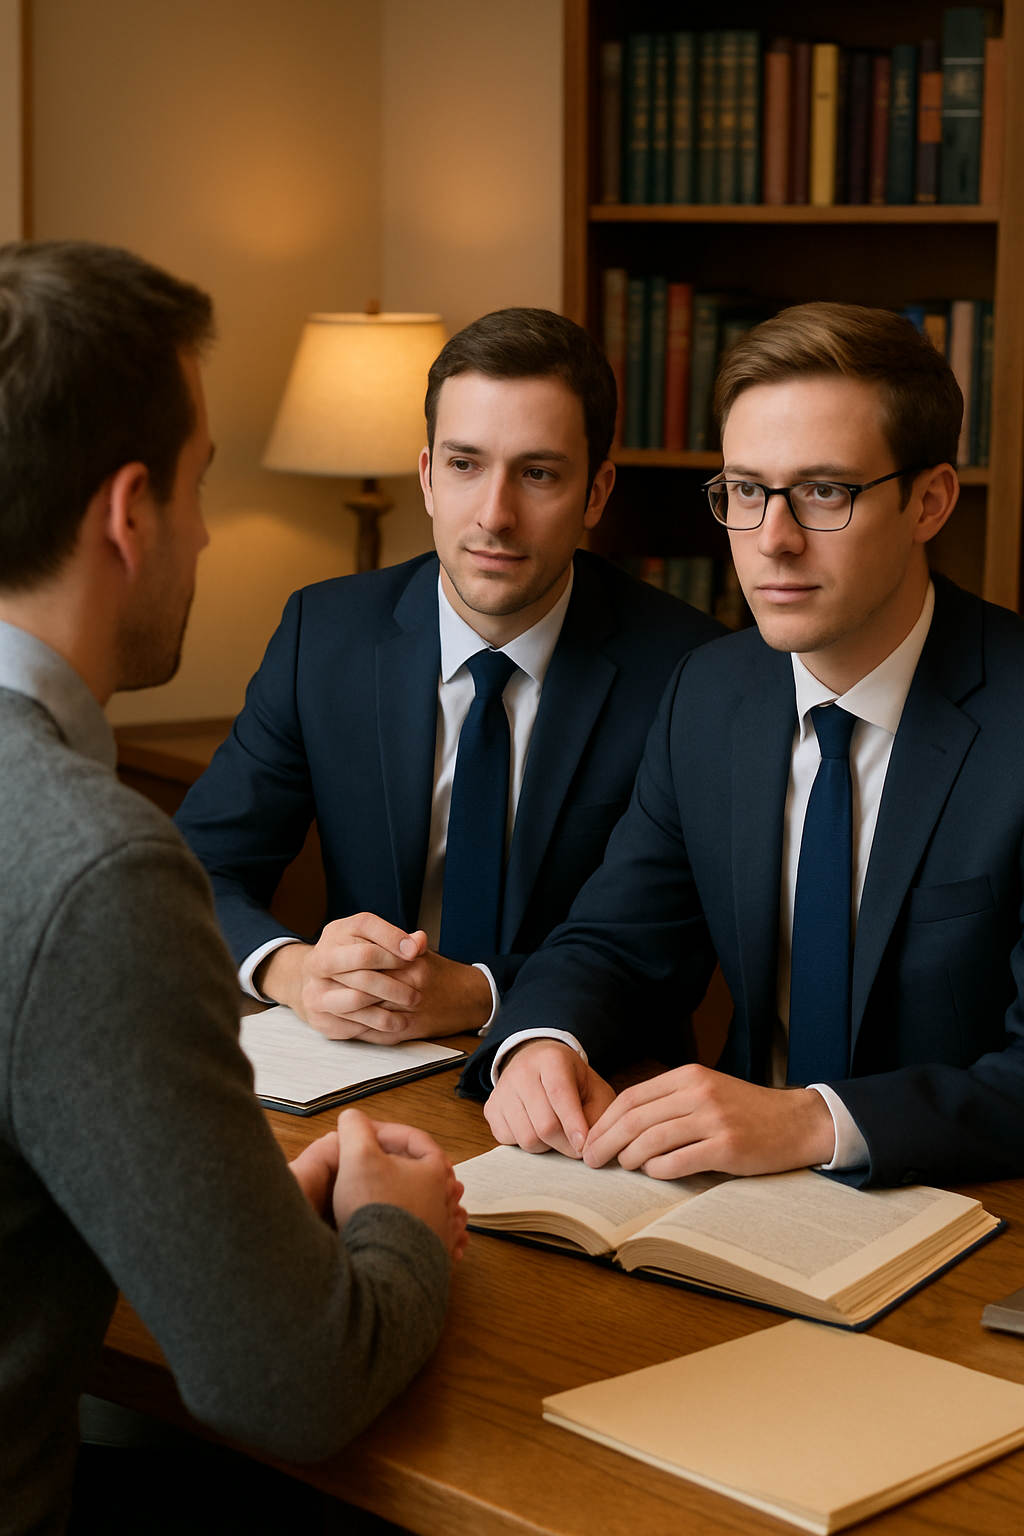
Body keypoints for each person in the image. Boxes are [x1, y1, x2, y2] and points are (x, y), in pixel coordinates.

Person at [0, 239, 467, 1536]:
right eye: (203, 488)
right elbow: (289, 1385)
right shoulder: (94, 865)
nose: (206, 531)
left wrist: (233, 1215)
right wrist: (400, 1222)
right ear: (128, 511)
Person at [464, 300, 1024, 1190]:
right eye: (745, 491)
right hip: (727, 1202)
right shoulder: (711, 692)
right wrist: (542, 1041)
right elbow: (616, 939)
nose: (772, 540)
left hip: (964, 1212)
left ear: (930, 501)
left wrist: (811, 1121)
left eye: (825, 491)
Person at [174, 308, 724, 1045]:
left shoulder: (691, 672)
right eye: (465, 465)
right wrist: (294, 970)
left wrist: (475, 995)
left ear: (595, 494)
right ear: (429, 477)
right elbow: (195, 871)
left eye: (538, 474)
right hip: (357, 1065)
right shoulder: (324, 635)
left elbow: (666, 945)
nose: (495, 516)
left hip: (588, 1073)